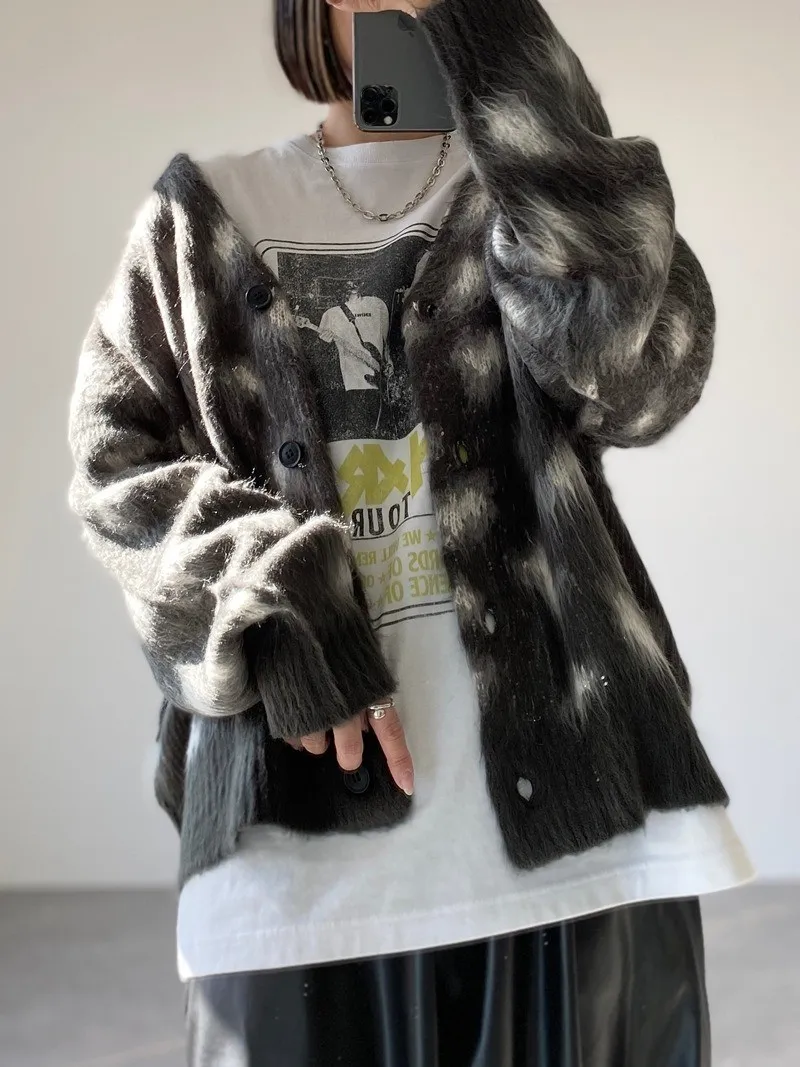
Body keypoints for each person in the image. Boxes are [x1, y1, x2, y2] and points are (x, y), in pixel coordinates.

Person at [68, 1, 754, 1063]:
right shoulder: (202, 210)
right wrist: (274, 599)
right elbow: (115, 467)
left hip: (588, 842)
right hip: (290, 858)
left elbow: (643, 383)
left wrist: (510, 70)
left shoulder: (538, 206)